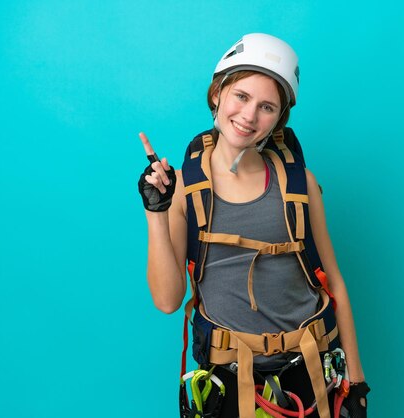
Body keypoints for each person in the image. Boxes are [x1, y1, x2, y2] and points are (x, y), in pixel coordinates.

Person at [139, 33, 369, 418]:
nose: (249, 116)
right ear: (217, 94)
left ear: (279, 118)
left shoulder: (301, 185)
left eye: (267, 106)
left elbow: (335, 283)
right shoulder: (182, 189)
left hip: (310, 373)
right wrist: (156, 212)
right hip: (227, 379)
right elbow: (166, 301)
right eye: (241, 97)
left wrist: (356, 384)